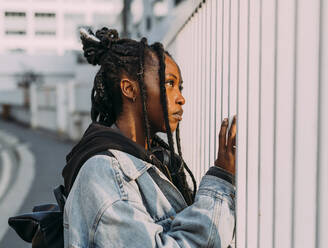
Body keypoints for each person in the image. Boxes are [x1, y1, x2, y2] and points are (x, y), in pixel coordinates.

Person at [62, 27, 236, 248]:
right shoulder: (102, 172)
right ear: (129, 89)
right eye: (169, 83)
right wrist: (221, 182)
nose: (181, 98)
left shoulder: (150, 162)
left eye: (180, 87)